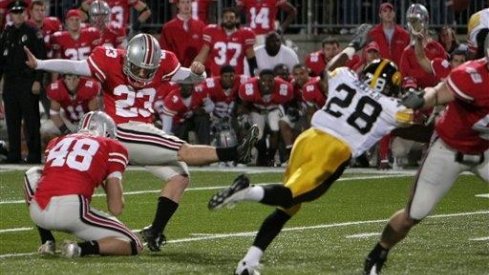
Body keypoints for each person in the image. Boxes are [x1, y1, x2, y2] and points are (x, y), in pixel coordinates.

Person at [207, 24, 414, 275]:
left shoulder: (347, 79)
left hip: (308, 138)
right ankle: (244, 192)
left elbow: (329, 69)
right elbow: (414, 113)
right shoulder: (392, 106)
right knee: (291, 195)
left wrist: (351, 47)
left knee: (288, 207)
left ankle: (248, 263)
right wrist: (413, 92)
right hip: (333, 150)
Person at [25, 33, 259, 252]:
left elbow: (194, 77)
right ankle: (236, 153)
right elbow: (75, 67)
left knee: (179, 177)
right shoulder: (108, 59)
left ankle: (155, 232)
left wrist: (198, 72)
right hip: (121, 130)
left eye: (148, 70)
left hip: (143, 130)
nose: (142, 75)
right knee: (182, 151)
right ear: (127, 59)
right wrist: (41, 64)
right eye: (137, 68)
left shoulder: (165, 62)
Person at [363, 35, 489, 275]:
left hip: (485, 150)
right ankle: (379, 252)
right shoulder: (470, 75)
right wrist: (421, 100)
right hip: (450, 149)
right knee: (414, 213)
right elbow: (437, 93)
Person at [25, 111, 143, 258]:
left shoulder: (56, 142)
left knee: (33, 173)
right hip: (72, 212)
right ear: (107, 132)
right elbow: (116, 207)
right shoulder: (112, 145)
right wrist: (106, 176)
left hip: (38, 212)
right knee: (134, 243)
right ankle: (80, 249)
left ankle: (47, 241)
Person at [0, 0, 45, 163]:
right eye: (15, 12)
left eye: (20, 12)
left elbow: (41, 57)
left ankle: (34, 155)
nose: (18, 15)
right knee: (12, 120)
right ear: (10, 14)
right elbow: (1, 60)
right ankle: (14, 154)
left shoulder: (33, 32)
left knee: (31, 120)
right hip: (10, 83)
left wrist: (38, 81)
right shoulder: (7, 32)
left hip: (28, 81)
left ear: (25, 13)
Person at [194, 7, 257, 77]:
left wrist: (254, 76)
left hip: (236, 78)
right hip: (217, 78)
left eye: (231, 17)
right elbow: (202, 56)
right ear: (222, 19)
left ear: (236, 19)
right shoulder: (212, 32)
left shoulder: (244, 35)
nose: (228, 20)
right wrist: (193, 69)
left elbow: (251, 60)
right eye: (226, 17)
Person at [41, 74, 101, 143]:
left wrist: (86, 129)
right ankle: (55, 151)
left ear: (79, 79)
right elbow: (54, 114)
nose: (71, 82)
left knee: (97, 132)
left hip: (86, 123)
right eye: (69, 79)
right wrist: (65, 130)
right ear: (64, 80)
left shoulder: (88, 87)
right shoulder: (57, 89)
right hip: (69, 122)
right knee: (45, 129)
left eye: (74, 79)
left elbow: (94, 114)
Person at [159, 0, 205, 67]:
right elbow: (164, 50)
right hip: (175, 69)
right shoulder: (168, 27)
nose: (186, 5)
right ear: (178, 5)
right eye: (183, 2)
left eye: (188, 2)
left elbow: (204, 50)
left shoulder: (200, 26)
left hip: (196, 70)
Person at [368, 2, 410, 67]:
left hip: (399, 73)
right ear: (380, 15)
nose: (388, 13)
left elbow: (409, 56)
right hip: (379, 72)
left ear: (394, 14)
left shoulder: (404, 34)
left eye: (390, 11)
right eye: (385, 11)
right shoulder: (373, 34)